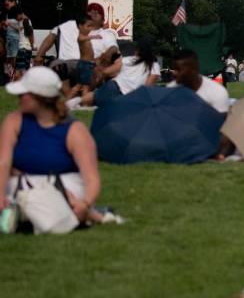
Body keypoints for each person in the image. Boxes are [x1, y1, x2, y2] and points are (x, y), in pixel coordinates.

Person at [0, 67, 102, 227]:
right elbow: (3, 163)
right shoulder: (14, 121)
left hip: (65, 186)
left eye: (23, 94)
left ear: (39, 98)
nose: (19, 98)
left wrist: (86, 203)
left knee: (59, 196)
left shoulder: (74, 131)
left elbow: (91, 177)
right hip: (23, 184)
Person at [80, 40, 160, 107]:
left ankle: (74, 103)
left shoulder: (128, 59)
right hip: (129, 97)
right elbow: (147, 86)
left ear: (137, 50)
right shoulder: (154, 66)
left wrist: (99, 80)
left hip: (114, 86)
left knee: (92, 97)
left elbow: (106, 72)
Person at [168, 49, 230, 113]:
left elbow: (222, 121)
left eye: (178, 69)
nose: (174, 73)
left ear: (194, 69)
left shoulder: (217, 92)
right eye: (173, 69)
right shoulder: (170, 89)